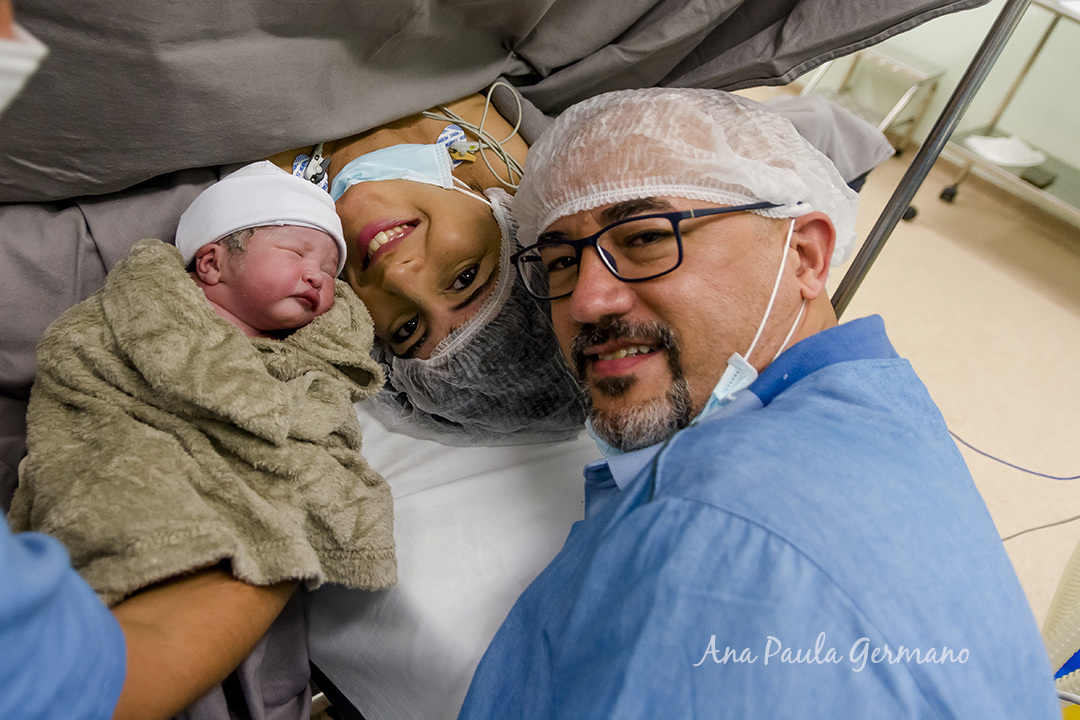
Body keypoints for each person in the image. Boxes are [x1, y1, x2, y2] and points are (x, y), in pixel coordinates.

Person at [459, 87, 1060, 718]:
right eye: (559, 262)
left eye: (643, 239)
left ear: (804, 255)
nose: (586, 300)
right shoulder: (873, 406)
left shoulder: (714, 527)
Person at [9, 160, 397, 719]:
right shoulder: (143, 315)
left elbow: (319, 419)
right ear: (212, 263)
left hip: (245, 495)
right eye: (296, 253)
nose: (318, 276)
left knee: (261, 669)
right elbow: (75, 363)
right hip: (138, 453)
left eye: (330, 271)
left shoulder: (297, 355)